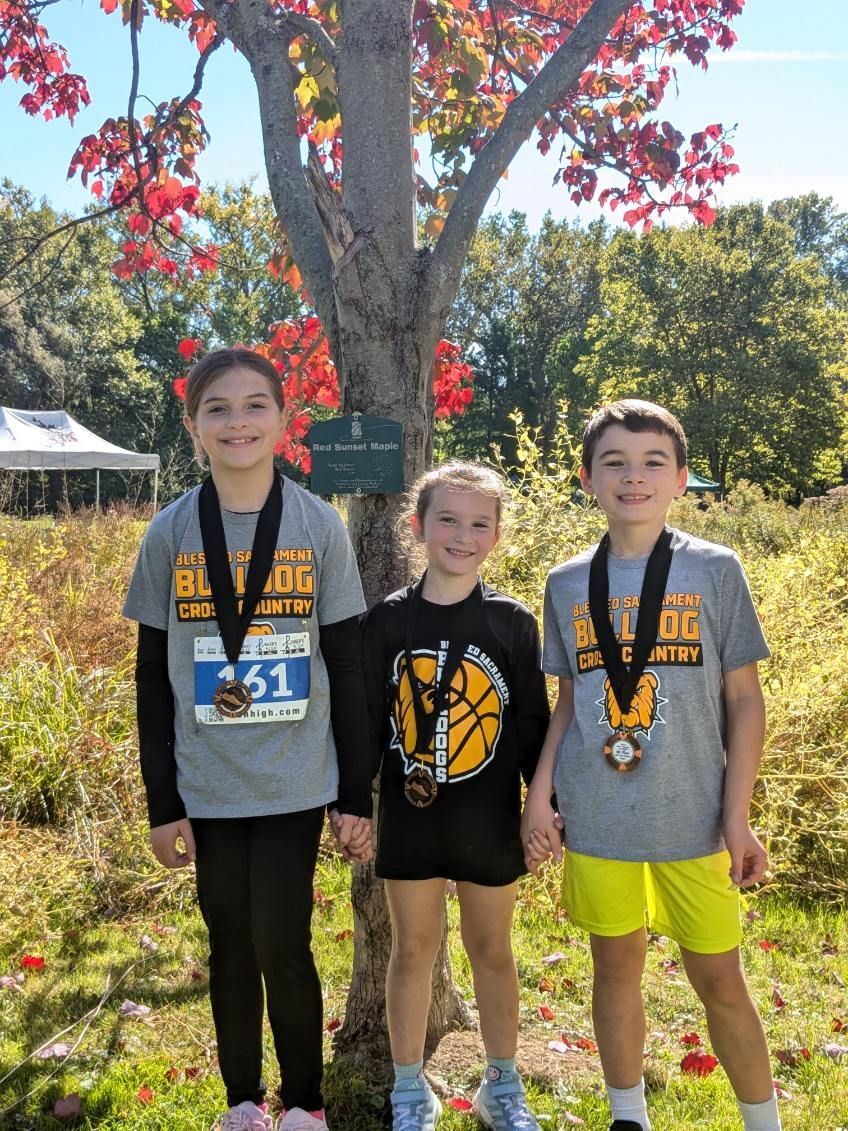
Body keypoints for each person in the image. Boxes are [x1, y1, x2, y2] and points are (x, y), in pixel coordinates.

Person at [123, 347, 373, 1131]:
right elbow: (150, 679)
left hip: (296, 776)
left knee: (282, 939)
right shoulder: (168, 533)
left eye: (255, 404)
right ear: (194, 424)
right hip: (206, 780)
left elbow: (348, 662)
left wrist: (353, 793)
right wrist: (163, 805)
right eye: (218, 408)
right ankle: (242, 1102)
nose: (238, 421)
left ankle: (304, 1101)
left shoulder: (317, 523)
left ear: (283, 419)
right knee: (229, 939)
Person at [522, 400, 781, 1131]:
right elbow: (567, 702)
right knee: (614, 966)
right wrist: (539, 794)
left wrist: (737, 816)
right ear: (587, 478)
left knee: (720, 978)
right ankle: (627, 1115)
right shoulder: (567, 581)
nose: (633, 476)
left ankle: (763, 1121)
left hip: (694, 818)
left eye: (651, 462)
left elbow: (745, 701)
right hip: (599, 813)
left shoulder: (713, 569)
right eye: (614, 462)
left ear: (681, 478)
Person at [362, 461, 550, 1131]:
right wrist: (353, 801)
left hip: (488, 815)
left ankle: (501, 1083)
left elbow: (533, 725)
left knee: (492, 947)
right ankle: (410, 1089)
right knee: (413, 947)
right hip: (411, 817)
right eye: (447, 518)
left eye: (478, 523)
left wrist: (543, 806)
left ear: (496, 536)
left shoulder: (511, 622)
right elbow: (361, 721)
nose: (461, 535)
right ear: (418, 526)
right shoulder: (385, 621)